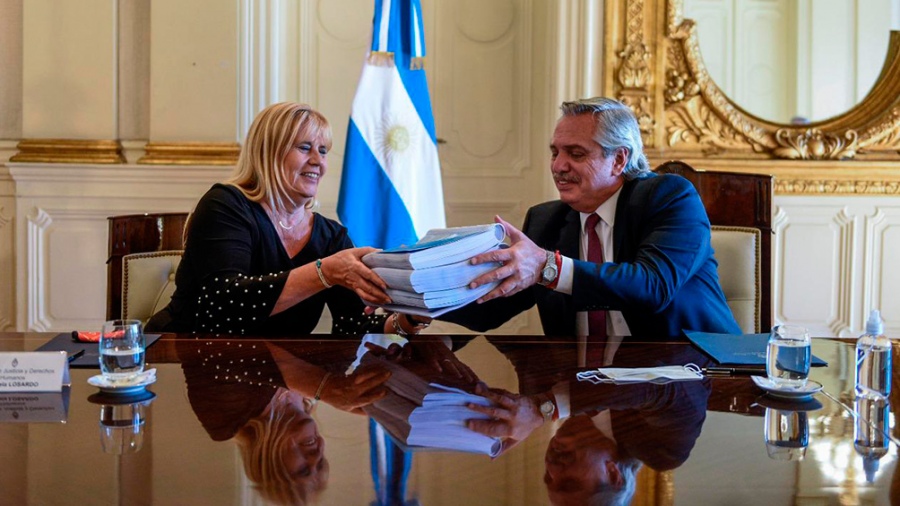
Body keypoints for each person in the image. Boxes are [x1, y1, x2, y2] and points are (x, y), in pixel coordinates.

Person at [444, 96, 740, 338]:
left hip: (692, 374)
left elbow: (652, 286)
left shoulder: (669, 197)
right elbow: (492, 308)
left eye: (576, 154)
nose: (558, 166)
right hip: (583, 383)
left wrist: (549, 267)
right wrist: (422, 301)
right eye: (555, 153)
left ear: (619, 159)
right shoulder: (546, 220)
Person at [146, 101, 429, 336]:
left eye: (323, 151)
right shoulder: (225, 205)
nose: (318, 161)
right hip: (181, 358)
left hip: (276, 372)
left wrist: (409, 318)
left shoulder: (331, 236)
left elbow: (353, 325)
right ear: (269, 152)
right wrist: (325, 272)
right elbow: (225, 305)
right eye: (305, 148)